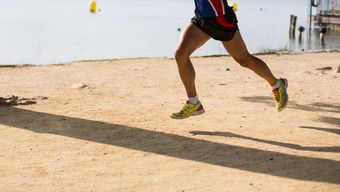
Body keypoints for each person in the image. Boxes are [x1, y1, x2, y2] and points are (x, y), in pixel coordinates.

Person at [170, 0, 288, 119]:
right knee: (180, 54)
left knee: (244, 60)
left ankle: (277, 84)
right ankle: (193, 102)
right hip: (202, 19)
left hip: (221, 20)